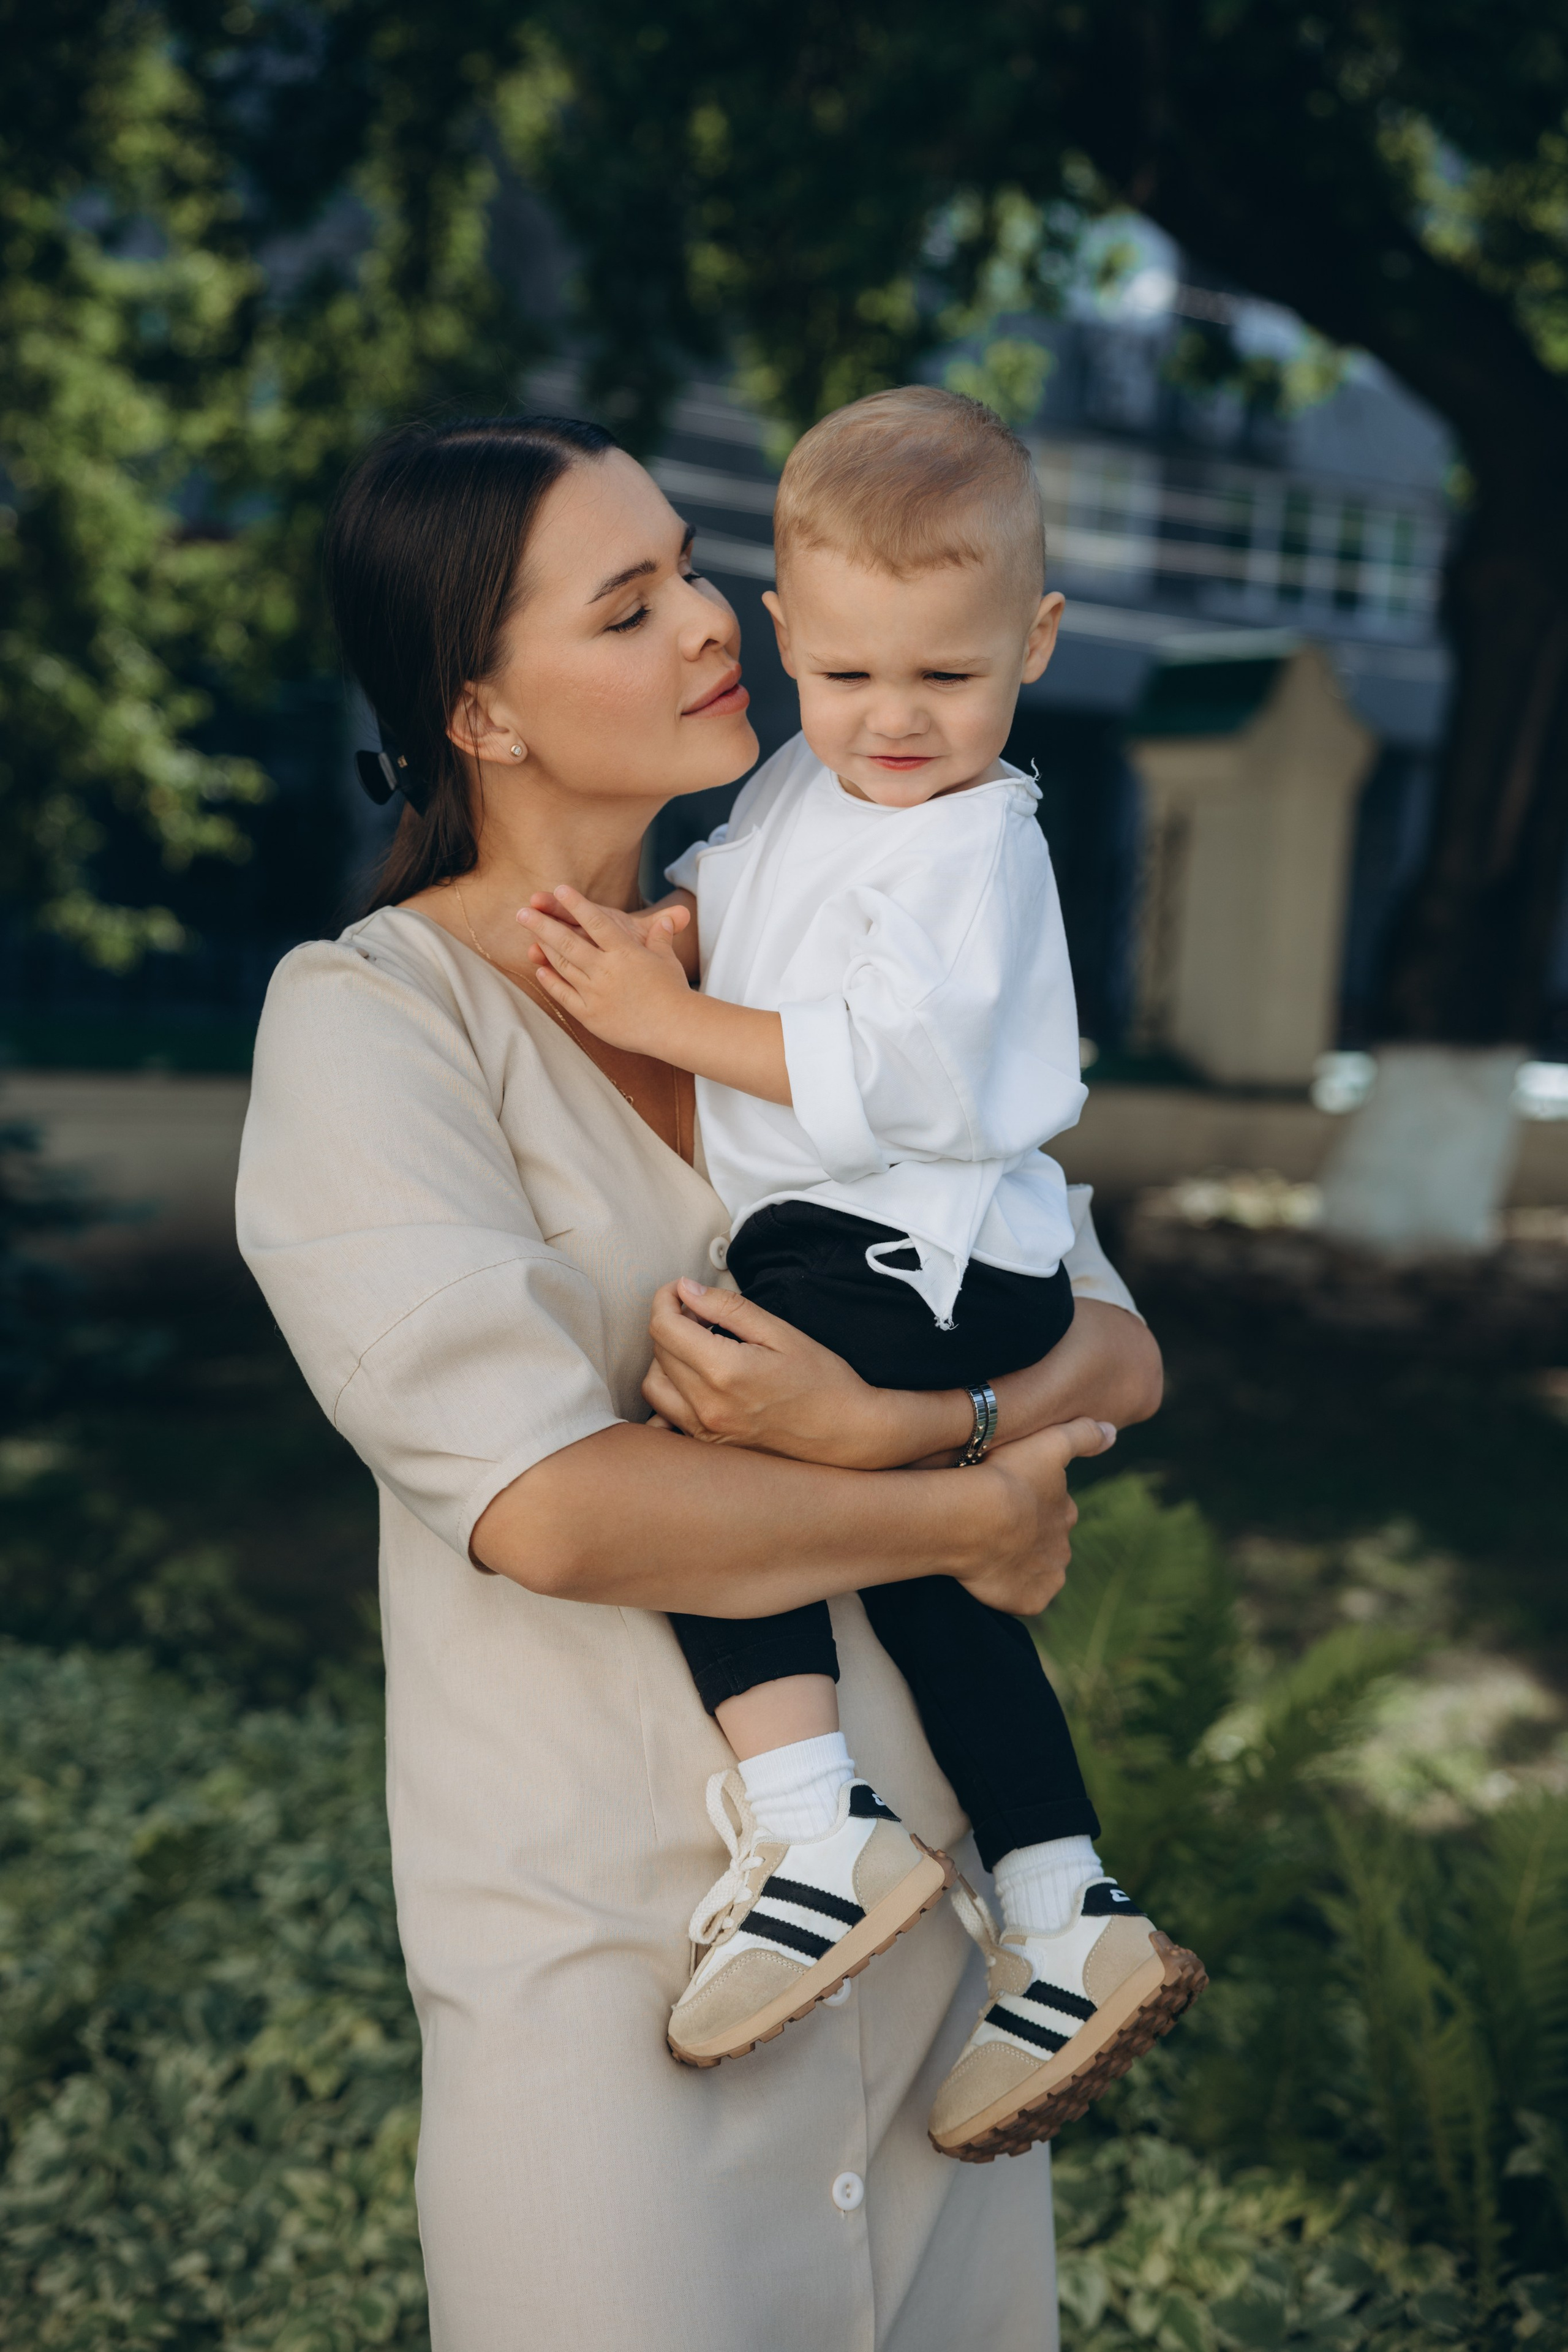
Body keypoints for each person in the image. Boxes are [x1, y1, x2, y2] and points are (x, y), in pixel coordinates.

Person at [236, 410, 1163, 2351]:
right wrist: (960, 1503)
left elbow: (1111, 1340)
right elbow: (555, 1507)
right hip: (617, 1991)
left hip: (942, 1990)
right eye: (629, 600)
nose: (712, 623)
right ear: (482, 714)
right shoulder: (376, 1025)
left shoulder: (832, 914)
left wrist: (919, 1427)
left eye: (694, 565)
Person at [515, 387, 1204, 2160]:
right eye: (851, 677)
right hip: (931, 1254)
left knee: (711, 1466)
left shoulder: (977, 843)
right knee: (927, 1585)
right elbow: (757, 898)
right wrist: (681, 936)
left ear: (1036, 645)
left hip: (916, 1248)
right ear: (789, 646)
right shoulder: (809, 782)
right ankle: (1068, 1913)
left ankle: (817, 1823)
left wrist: (669, 1015)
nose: (896, 723)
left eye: (948, 680)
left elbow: (893, 1065)